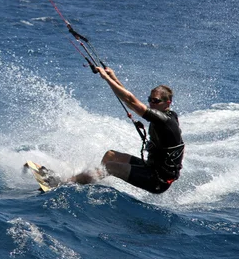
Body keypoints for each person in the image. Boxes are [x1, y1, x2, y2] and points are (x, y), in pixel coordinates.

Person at [70, 66, 185, 194]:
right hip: (151, 167)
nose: (151, 104)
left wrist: (106, 78)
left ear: (167, 103)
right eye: (150, 100)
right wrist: (113, 77)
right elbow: (131, 102)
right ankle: (90, 182)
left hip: (158, 180)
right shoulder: (164, 114)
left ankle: (68, 183)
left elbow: (130, 100)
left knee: (110, 167)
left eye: (156, 101)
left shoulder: (164, 120)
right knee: (111, 155)